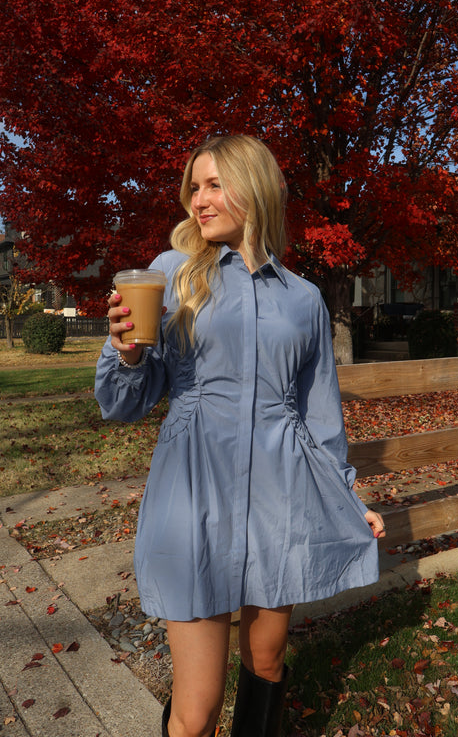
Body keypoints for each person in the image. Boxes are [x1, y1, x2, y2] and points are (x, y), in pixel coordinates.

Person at [94, 134, 386, 737]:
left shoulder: (303, 299)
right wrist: (125, 355)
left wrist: (349, 497)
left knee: (266, 659)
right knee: (196, 708)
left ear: (254, 188)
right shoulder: (170, 274)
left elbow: (320, 418)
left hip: (280, 497)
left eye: (213, 184)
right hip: (193, 491)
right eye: (194, 188)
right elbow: (120, 405)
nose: (199, 200)